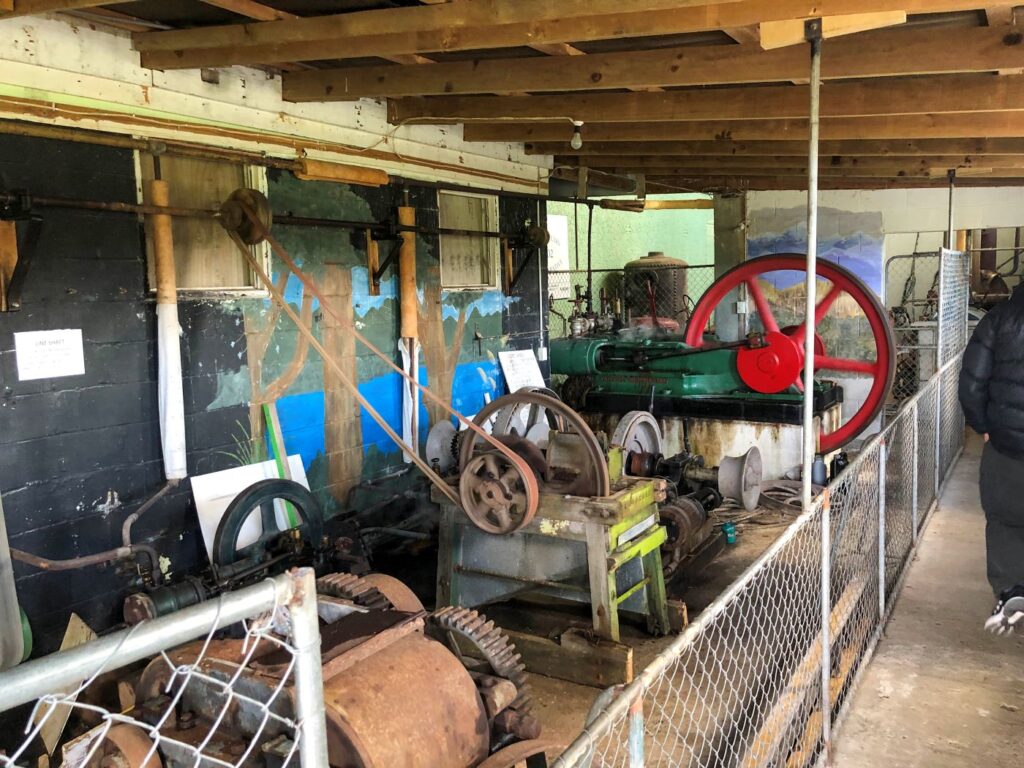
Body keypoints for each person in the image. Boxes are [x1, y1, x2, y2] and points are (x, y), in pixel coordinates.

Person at [958, 283, 1024, 635]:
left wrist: (982, 425)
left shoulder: (999, 320)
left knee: (1004, 519)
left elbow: (971, 383)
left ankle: (1012, 590)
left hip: (1006, 444)